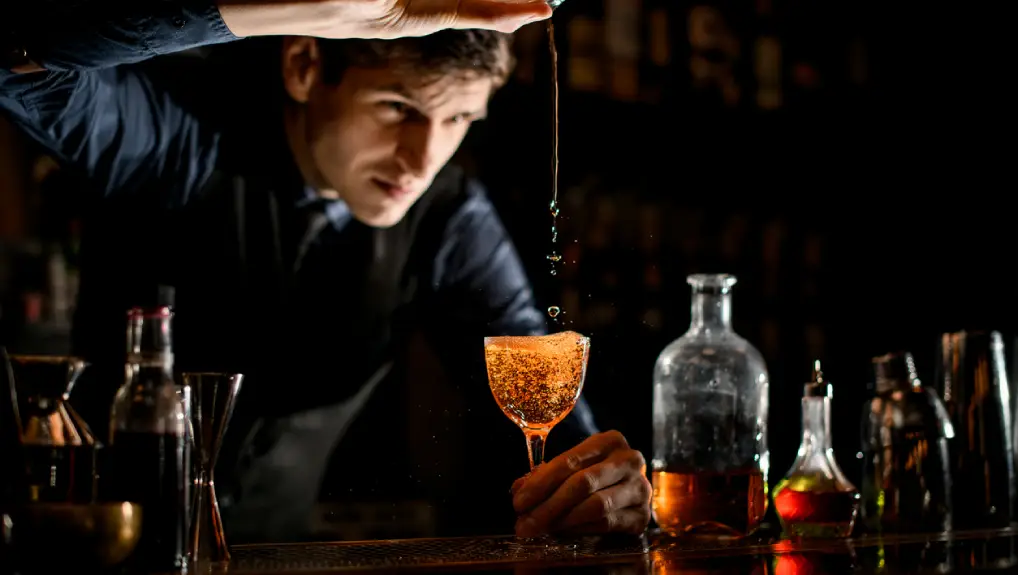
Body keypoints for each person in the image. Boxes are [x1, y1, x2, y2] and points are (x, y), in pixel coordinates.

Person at [0, 0, 652, 543]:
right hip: (86, 546)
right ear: (306, 63)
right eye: (398, 108)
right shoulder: (183, 133)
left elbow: (538, 385)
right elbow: (17, 57)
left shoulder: (448, 216)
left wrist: (598, 479)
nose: (422, 159)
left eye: (458, 119)